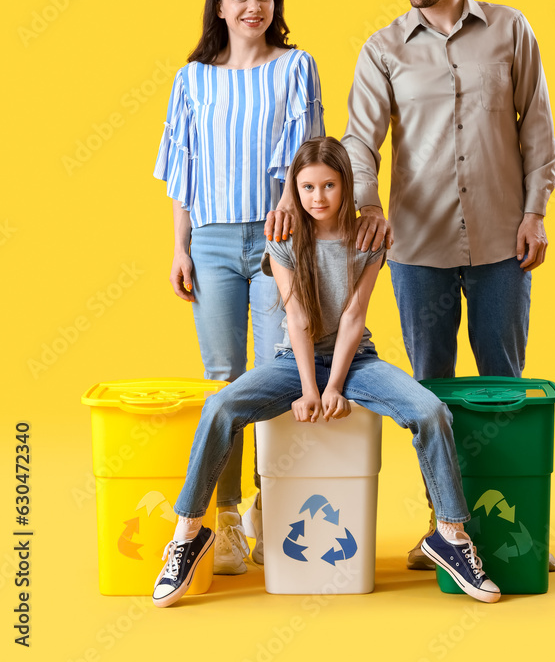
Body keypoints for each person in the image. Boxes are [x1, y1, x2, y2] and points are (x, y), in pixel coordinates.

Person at [152, 137, 501, 608]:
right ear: (295, 190)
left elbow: (354, 317)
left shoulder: (367, 240)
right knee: (219, 405)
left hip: (356, 360)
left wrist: (335, 385)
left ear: (346, 186)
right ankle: (188, 532)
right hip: (291, 361)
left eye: (329, 186)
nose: (319, 197)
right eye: (308, 187)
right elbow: (295, 319)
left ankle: (450, 534)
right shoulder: (282, 240)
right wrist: (311, 389)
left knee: (431, 410)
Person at [341, 0, 555, 568]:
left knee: (502, 387)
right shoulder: (383, 48)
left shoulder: (509, 30)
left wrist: (534, 211)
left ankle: (509, 523)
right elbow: (358, 139)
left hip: (499, 241)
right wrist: (366, 200)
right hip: (417, 250)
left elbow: (536, 128)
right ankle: (445, 529)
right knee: (429, 392)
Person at [154, 0, 324, 574]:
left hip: (280, 238)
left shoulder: (296, 67)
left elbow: (309, 153)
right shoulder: (192, 79)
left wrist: (287, 205)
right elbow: (182, 169)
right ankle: (224, 522)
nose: (254, 7)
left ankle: (271, 506)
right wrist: (180, 245)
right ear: (220, 7)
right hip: (214, 241)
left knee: (278, 377)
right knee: (224, 379)